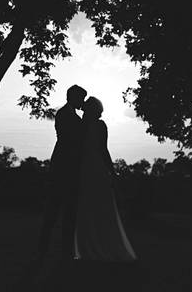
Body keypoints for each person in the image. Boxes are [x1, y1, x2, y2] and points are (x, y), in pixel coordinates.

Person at [74, 96, 137, 262]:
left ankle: (98, 246)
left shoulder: (94, 125)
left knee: (98, 206)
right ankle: (87, 247)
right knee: (88, 207)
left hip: (93, 167)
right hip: (86, 167)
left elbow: (103, 149)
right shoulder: (83, 125)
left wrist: (111, 170)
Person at [37, 84, 87, 260]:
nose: (83, 102)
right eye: (81, 98)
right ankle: (46, 244)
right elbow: (70, 138)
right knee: (55, 206)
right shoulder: (65, 114)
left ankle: (63, 246)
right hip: (64, 164)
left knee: (68, 209)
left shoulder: (70, 114)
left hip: (69, 164)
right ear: (73, 97)